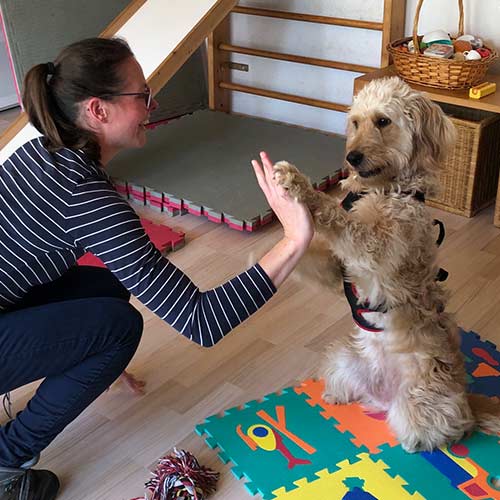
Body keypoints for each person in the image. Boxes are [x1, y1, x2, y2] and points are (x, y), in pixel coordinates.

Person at [0, 37, 313, 499]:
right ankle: (7, 461)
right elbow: (202, 321)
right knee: (119, 327)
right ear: (98, 110)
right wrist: (293, 240)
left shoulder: (38, 152)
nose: (154, 105)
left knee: (106, 289)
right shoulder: (85, 196)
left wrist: (83, 354)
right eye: (142, 95)